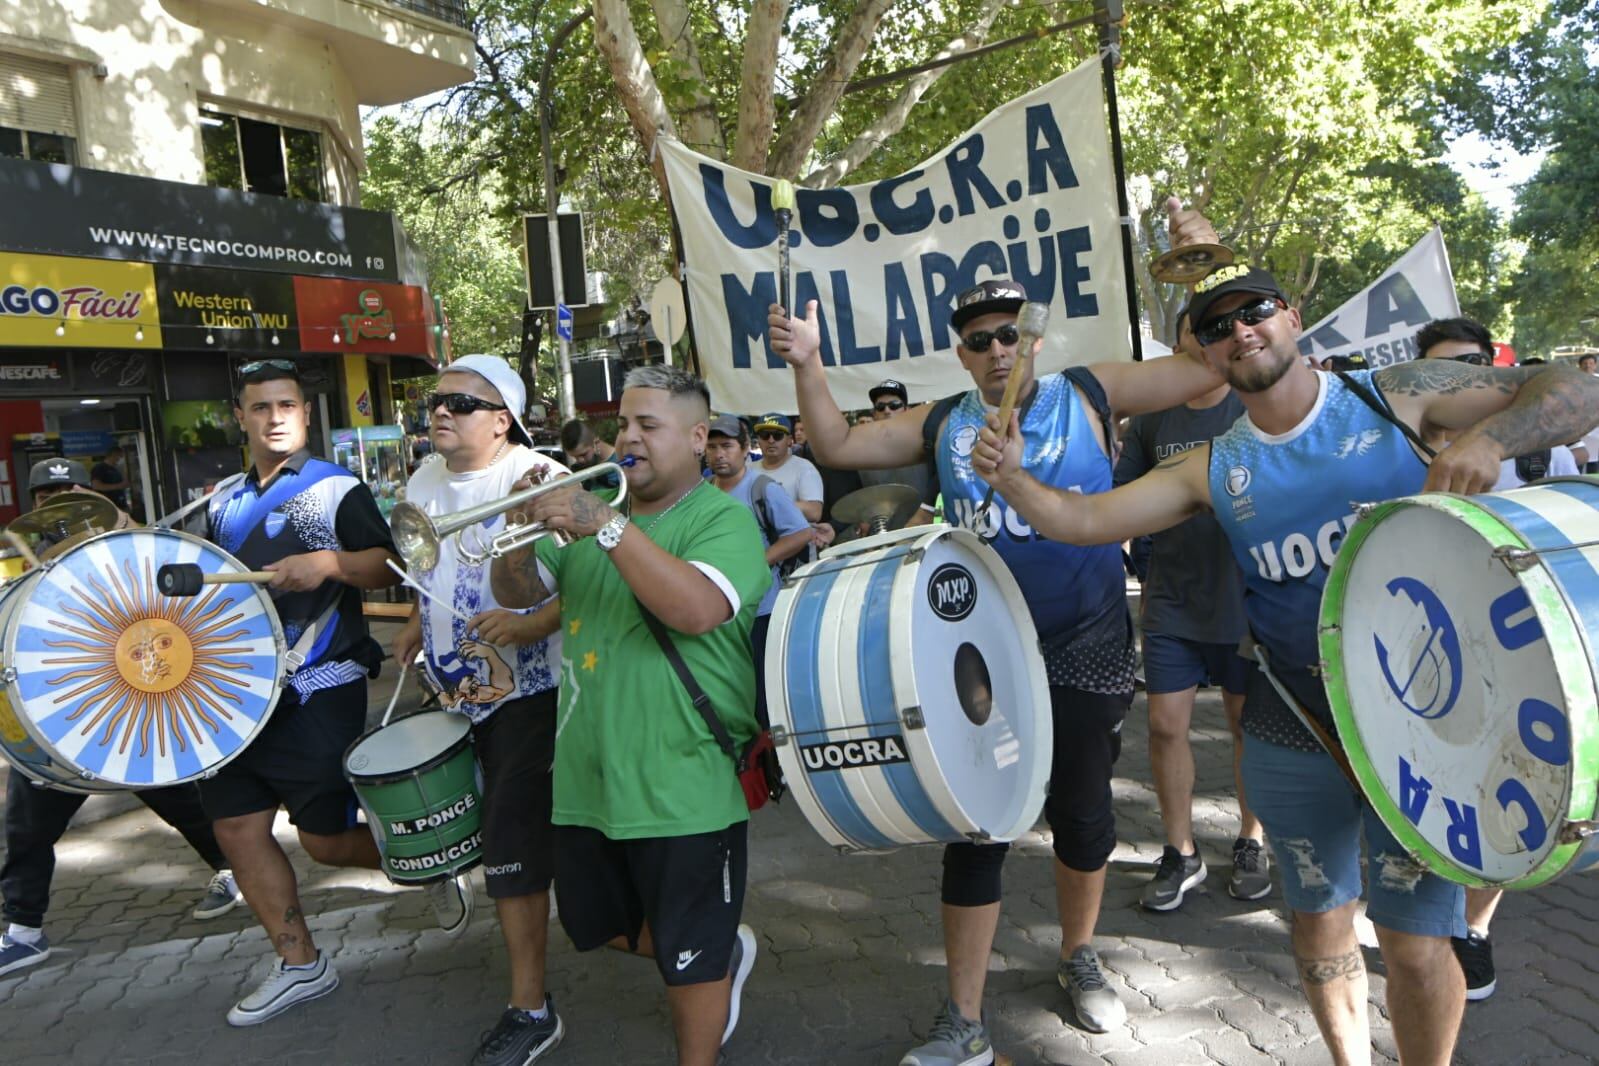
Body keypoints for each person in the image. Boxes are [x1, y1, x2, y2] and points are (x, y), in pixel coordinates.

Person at [967, 252, 1599, 1065]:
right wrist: (1015, 480)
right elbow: (1085, 521)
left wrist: (1487, 437)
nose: (1240, 331)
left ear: (1291, 315)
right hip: (1289, 717)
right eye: (1215, 327)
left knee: (1411, 943)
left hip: (1426, 722)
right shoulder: (1213, 465)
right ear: (1203, 354)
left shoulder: (1394, 395)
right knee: (1318, 928)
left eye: (1254, 309)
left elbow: (1576, 391)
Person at [768, 215, 1229, 1060]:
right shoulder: (943, 422)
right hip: (973, 651)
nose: (997, 349)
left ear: (1032, 337)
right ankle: (965, 1020)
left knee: (1082, 814)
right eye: (979, 339)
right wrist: (807, 361)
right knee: (973, 823)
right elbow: (832, 442)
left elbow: (1208, 364)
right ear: (962, 353)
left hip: (1084, 639)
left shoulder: (1091, 392)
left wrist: (1199, 271)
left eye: (1010, 332)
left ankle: (1079, 955)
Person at [489, 365, 767, 1066]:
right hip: (588, 774)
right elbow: (516, 590)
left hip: (683, 778)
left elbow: (694, 610)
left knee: (688, 949)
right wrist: (518, 527)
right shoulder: (595, 516)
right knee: (599, 924)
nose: (628, 439)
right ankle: (720, 945)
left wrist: (604, 525)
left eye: (649, 425)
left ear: (699, 437)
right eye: (622, 425)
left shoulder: (721, 519)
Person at [194, 359, 411, 1027]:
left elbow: (391, 562)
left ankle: (436, 857)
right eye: (260, 407)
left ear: (307, 413)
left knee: (325, 840)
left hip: (319, 687)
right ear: (241, 416)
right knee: (234, 825)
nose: (275, 416)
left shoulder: (334, 488)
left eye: (286, 404)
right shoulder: (222, 499)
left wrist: (329, 564)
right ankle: (299, 963)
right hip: (236, 698)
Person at [391, 354, 570, 1064]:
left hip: (531, 696)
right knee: (475, 831)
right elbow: (420, 561)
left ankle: (530, 1009)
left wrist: (532, 625)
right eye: (436, 400)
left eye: (462, 403)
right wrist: (412, 621)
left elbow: (595, 581)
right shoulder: (424, 478)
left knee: (512, 850)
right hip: (452, 693)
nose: (441, 410)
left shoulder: (538, 479)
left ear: (502, 421)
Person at [0, 462, 242, 980]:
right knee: (25, 826)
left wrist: (122, 526)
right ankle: (23, 930)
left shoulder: (126, 552)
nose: (59, 499)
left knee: (184, 802)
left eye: (69, 490)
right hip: (62, 723)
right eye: (48, 493)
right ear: (36, 501)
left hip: (129, 715)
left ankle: (234, 868)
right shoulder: (28, 568)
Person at [1413, 317, 1578, 1001]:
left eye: (1480, 364)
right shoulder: (1396, 443)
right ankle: (1421, 916)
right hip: (1436, 657)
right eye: (1448, 370)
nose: (1470, 380)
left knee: (1511, 798)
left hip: (1531, 661)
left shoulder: (1541, 451)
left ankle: (1470, 928)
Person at [1113, 317, 1265, 911]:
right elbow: (1120, 499)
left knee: (1247, 730)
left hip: (1245, 603)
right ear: (1177, 345)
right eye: (1194, 334)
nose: (1206, 343)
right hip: (1172, 599)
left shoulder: (1253, 407)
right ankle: (1181, 851)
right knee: (1164, 728)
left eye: (1215, 332)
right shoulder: (1153, 417)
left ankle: (1252, 841)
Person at [704, 414, 813, 728]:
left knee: (763, 699)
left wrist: (756, 562)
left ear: (744, 449)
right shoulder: (705, 491)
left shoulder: (762, 488)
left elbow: (801, 533)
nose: (719, 454)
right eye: (712, 447)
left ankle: (770, 766)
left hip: (760, 611)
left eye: (726, 445)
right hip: (720, 612)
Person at [89, 445, 130, 510]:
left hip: (120, 504)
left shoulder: (116, 469)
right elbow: (96, 485)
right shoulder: (100, 468)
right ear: (113, 455)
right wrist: (119, 486)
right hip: (108, 506)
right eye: (120, 456)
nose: (121, 459)